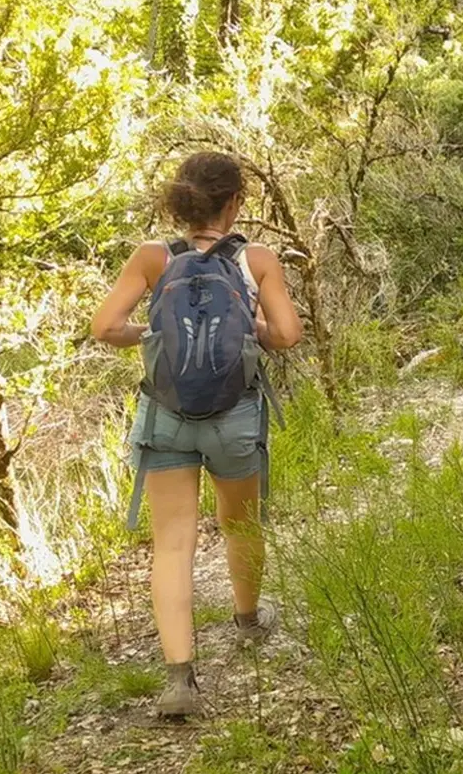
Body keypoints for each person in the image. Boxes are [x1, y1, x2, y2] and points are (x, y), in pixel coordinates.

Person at [89, 152, 303, 718]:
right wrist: (249, 324)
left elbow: (105, 327)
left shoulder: (152, 258)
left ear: (182, 201)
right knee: (240, 524)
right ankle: (248, 619)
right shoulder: (257, 258)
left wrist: (151, 331)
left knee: (174, 543)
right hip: (234, 418)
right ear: (235, 201)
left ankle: (179, 678)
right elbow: (287, 335)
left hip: (166, 417)